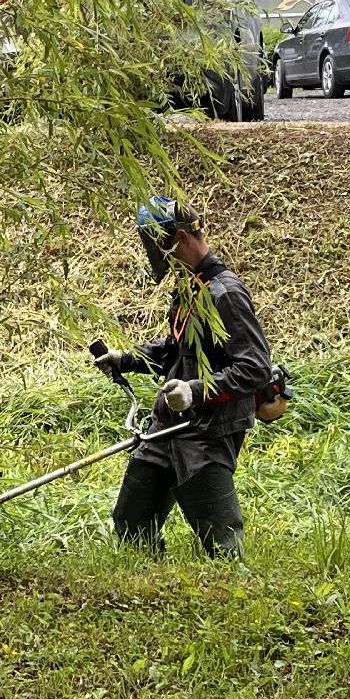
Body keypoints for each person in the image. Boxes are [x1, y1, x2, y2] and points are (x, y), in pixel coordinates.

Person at [93, 197, 273, 558]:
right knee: (132, 523)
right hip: (167, 425)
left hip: (207, 431)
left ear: (180, 238)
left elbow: (255, 367)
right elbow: (179, 350)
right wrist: (127, 359)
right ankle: (146, 591)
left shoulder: (225, 294)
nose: (158, 257)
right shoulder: (191, 288)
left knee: (222, 546)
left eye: (159, 246)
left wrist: (194, 390)